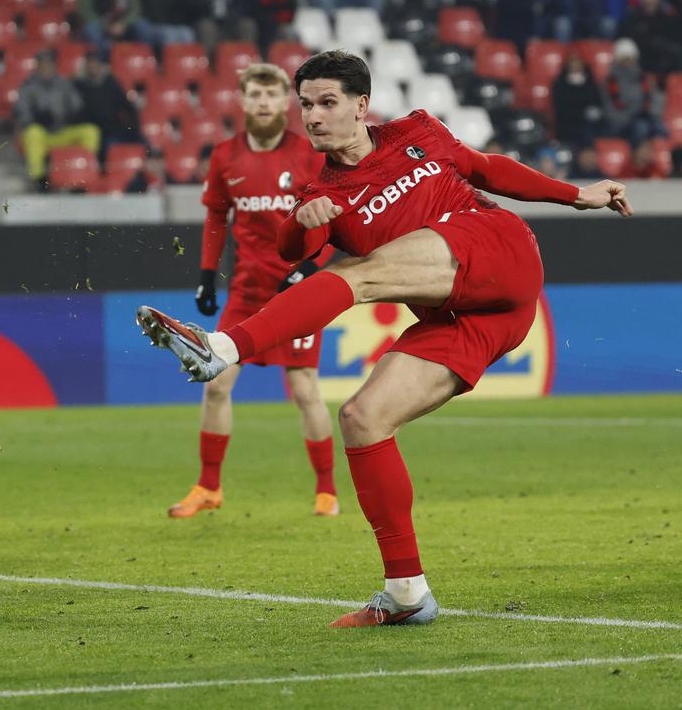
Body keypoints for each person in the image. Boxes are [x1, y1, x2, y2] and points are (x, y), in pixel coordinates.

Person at [137, 50, 632, 628]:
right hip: (474, 317)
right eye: (306, 106)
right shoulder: (319, 191)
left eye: (327, 103)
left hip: (499, 248)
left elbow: (488, 168)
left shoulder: (417, 130)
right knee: (363, 418)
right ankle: (406, 592)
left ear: (361, 105)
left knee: (356, 274)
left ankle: (221, 348)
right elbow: (288, 251)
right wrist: (301, 221)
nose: (314, 117)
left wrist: (578, 195)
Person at [169, 63, 337, 521]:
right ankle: (208, 486)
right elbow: (215, 218)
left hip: (299, 289)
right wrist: (206, 276)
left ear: (286, 101)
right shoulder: (225, 155)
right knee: (217, 384)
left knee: (304, 388)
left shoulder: (309, 155)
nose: (263, 103)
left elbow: (331, 221)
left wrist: (308, 269)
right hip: (247, 291)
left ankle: (327, 490)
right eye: (255, 95)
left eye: (272, 95)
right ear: (242, 101)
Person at [15, 48, 99, 189]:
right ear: (37, 66)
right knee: (32, 133)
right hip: (43, 133)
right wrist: (35, 118)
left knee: (90, 131)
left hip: (63, 130)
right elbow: (21, 111)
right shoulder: (28, 86)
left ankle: (83, 170)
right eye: (43, 65)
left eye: (49, 64)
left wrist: (72, 116)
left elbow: (77, 105)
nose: (46, 68)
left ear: (54, 66)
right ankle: (39, 179)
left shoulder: (64, 83)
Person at [75, 50, 141, 155]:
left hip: (114, 128)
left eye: (95, 62)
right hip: (96, 131)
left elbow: (126, 105)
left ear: (100, 64)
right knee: (109, 148)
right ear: (85, 66)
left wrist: (134, 127)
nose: (92, 66)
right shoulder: (79, 86)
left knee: (143, 143)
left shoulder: (111, 82)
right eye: (89, 63)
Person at [603, 38, 665, 145]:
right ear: (617, 59)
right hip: (622, 125)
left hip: (645, 118)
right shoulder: (610, 81)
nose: (628, 62)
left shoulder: (643, 78)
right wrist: (631, 117)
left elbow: (655, 98)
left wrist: (651, 114)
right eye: (624, 58)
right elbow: (609, 109)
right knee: (641, 128)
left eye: (630, 58)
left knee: (661, 130)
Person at [551, 55, 606, 149]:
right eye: (573, 65)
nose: (576, 68)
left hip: (588, 126)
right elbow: (560, 108)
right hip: (567, 124)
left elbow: (598, 104)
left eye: (578, 65)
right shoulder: (560, 84)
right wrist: (581, 113)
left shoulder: (591, 83)